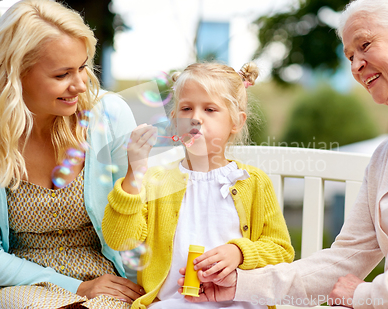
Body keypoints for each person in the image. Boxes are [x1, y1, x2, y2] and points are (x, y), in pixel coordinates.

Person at [176, 0, 388, 309]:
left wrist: (366, 295)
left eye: (365, 45)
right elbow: (343, 262)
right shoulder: (385, 156)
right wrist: (240, 284)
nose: (357, 65)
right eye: (350, 56)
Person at [0, 0, 145, 309]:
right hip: (17, 284)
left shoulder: (111, 116)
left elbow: (144, 219)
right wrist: (77, 288)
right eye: (62, 75)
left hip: (107, 280)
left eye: (83, 67)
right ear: (16, 76)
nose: (80, 84)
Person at [102, 62, 295, 309]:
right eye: (186, 108)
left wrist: (239, 253)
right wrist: (134, 173)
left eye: (210, 109)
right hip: (172, 303)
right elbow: (121, 240)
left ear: (236, 121)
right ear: (174, 119)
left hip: (240, 304)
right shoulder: (155, 181)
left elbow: (281, 250)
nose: (195, 118)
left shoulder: (253, 182)